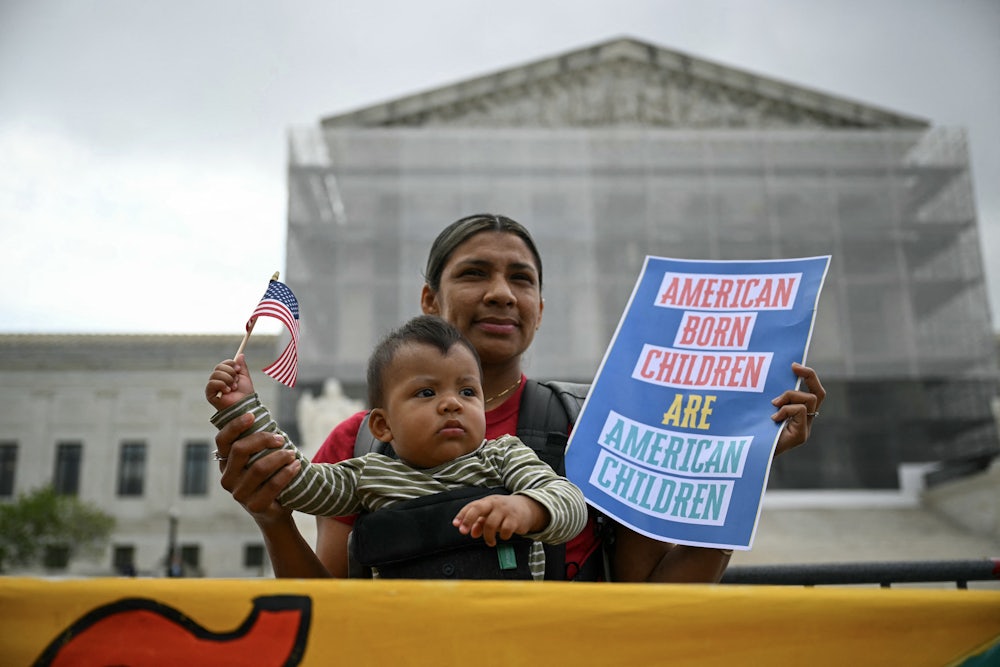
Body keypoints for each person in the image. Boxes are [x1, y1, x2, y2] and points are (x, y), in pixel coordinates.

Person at [211, 213, 825, 582]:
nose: (502, 293)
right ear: (430, 300)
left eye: (521, 279)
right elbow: (332, 607)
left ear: (539, 308)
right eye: (475, 273)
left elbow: (657, 597)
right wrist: (271, 516)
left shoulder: (599, 428)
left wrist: (745, 466)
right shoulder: (356, 443)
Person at [206, 315, 588, 580]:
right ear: (382, 425)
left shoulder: (505, 455)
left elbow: (569, 503)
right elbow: (293, 479)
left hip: (505, 641)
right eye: (426, 392)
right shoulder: (368, 474)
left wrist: (527, 507)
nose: (452, 403)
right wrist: (243, 408)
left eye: (468, 391)